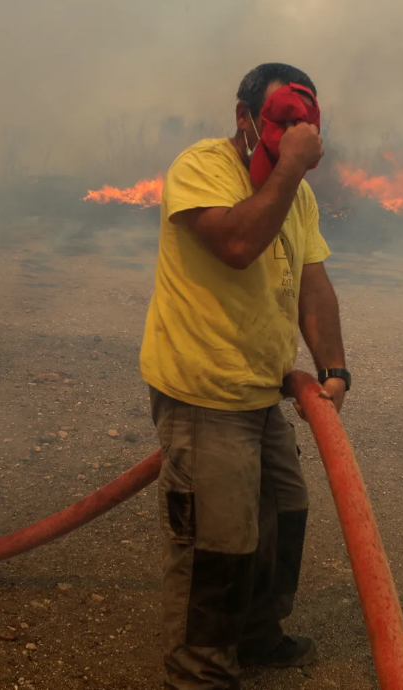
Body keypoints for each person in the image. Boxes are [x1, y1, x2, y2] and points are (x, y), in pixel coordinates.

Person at [140, 62, 351, 689]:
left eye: (304, 125)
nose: (295, 135)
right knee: (218, 544)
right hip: (204, 390)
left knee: (286, 513)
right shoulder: (202, 167)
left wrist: (332, 368)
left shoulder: (299, 195)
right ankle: (200, 670)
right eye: (283, 122)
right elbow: (235, 245)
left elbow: (313, 283)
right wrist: (289, 167)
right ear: (244, 118)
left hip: (261, 389)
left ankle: (257, 636)